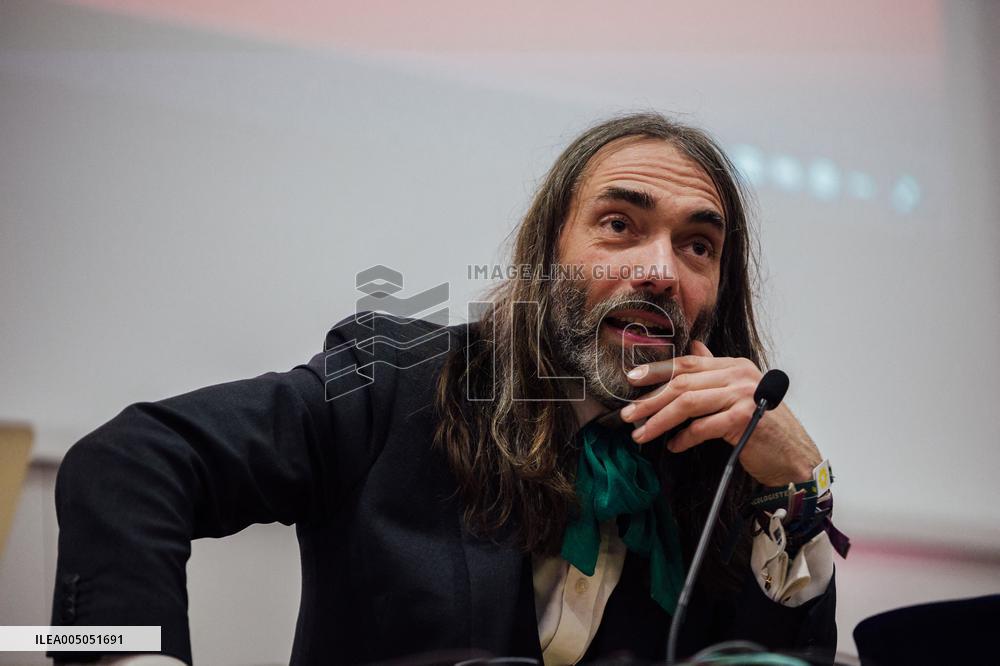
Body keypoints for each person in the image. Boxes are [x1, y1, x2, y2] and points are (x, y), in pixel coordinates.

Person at [51, 113, 842, 665]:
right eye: (618, 226)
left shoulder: (728, 467)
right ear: (545, 255)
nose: (660, 271)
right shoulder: (394, 380)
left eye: (697, 246)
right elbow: (131, 461)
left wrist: (802, 488)